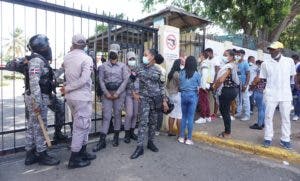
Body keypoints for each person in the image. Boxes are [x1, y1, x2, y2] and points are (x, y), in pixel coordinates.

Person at [23, 34, 60, 166]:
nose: (49, 48)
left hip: (36, 96)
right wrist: (37, 103)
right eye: (46, 45)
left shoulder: (38, 60)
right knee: (39, 126)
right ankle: (42, 154)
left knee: (32, 126)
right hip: (37, 97)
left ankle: (30, 154)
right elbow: (34, 83)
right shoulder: (36, 61)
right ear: (41, 47)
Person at [61, 34, 96, 169]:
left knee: (83, 124)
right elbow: (84, 80)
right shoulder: (86, 59)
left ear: (73, 43)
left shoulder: (67, 57)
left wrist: (67, 88)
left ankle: (82, 152)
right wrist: (68, 88)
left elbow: (63, 70)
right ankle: (74, 159)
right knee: (81, 127)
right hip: (81, 97)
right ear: (85, 45)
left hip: (71, 97)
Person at [130, 48, 168, 159]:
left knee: (153, 122)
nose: (144, 56)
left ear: (152, 57)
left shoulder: (159, 70)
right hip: (144, 100)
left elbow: (162, 87)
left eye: (146, 54)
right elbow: (130, 80)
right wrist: (134, 93)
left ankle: (150, 142)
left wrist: (164, 101)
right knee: (143, 122)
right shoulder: (138, 68)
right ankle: (139, 147)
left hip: (156, 100)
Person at [93, 44, 129, 152]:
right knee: (107, 116)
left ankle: (116, 137)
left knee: (118, 115)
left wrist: (117, 93)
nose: (113, 54)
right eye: (111, 51)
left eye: (115, 52)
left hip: (119, 94)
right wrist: (106, 93)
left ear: (118, 54)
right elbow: (101, 80)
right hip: (107, 94)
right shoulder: (103, 66)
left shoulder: (123, 66)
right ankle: (102, 141)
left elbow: (125, 80)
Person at [260, 41, 296, 149]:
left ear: (280, 50)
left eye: (273, 49)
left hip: (285, 94)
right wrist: (265, 91)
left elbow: (291, 77)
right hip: (271, 93)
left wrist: (286, 88)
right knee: (268, 116)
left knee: (285, 117)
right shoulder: (265, 63)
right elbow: (263, 79)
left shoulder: (289, 61)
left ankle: (285, 139)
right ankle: (268, 138)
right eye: (270, 49)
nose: (271, 51)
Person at [213, 50, 239, 138]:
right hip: (232, 90)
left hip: (226, 91)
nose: (224, 56)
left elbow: (221, 80)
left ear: (231, 57)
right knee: (225, 111)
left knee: (225, 112)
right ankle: (227, 130)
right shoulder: (231, 65)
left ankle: (227, 132)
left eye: (226, 55)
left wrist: (214, 87)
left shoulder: (229, 67)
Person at [178, 56, 201, 145]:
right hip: (193, 96)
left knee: (184, 116)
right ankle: (189, 139)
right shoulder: (197, 74)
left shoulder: (181, 72)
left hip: (183, 95)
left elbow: (180, 84)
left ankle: (181, 137)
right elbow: (199, 85)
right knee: (190, 117)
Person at [124, 51, 139, 143]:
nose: (132, 60)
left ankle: (132, 132)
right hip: (129, 94)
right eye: (130, 59)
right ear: (127, 60)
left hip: (137, 94)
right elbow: (127, 82)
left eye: (133, 59)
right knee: (129, 114)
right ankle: (127, 134)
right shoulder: (125, 69)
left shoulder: (138, 69)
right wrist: (133, 92)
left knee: (135, 114)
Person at [249, 60, 266, 130]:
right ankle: (262, 123)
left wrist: (252, 85)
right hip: (264, 91)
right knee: (263, 109)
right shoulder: (267, 72)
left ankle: (259, 125)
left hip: (259, 91)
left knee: (260, 109)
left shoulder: (261, 72)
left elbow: (256, 80)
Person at [166, 59, 182, 136]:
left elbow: (167, 85)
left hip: (171, 95)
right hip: (177, 94)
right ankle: (180, 133)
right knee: (179, 115)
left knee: (172, 114)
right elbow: (180, 84)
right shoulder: (177, 74)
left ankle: (170, 131)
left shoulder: (170, 73)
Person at [204, 48, 220, 121]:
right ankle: (209, 113)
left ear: (211, 52)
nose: (206, 54)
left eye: (207, 53)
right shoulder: (207, 60)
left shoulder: (216, 60)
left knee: (214, 97)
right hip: (207, 81)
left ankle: (214, 113)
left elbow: (217, 71)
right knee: (208, 97)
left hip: (213, 81)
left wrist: (214, 82)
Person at [235, 49, 251, 121]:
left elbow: (248, 74)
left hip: (244, 83)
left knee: (245, 99)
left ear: (243, 55)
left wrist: (246, 85)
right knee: (238, 99)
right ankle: (239, 112)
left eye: (239, 54)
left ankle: (247, 115)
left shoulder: (245, 63)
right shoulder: (236, 63)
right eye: (237, 54)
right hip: (237, 83)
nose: (238, 56)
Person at [195, 51, 211, 124]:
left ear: (203, 56)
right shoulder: (206, 63)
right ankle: (207, 116)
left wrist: (202, 87)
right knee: (206, 101)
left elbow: (204, 76)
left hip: (203, 86)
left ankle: (203, 117)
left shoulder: (204, 64)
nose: (199, 57)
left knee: (202, 102)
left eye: (200, 56)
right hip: (205, 85)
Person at [155, 55, 167, 135]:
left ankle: (149, 128)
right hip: (159, 94)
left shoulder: (149, 67)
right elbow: (163, 84)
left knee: (150, 111)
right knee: (159, 112)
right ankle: (157, 130)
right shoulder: (163, 70)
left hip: (149, 94)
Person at [291, 54, 300, 121]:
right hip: (296, 85)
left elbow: (297, 75)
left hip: (296, 85)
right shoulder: (297, 66)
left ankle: (297, 114)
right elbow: (296, 75)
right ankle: (296, 113)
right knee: (296, 100)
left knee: (297, 100)